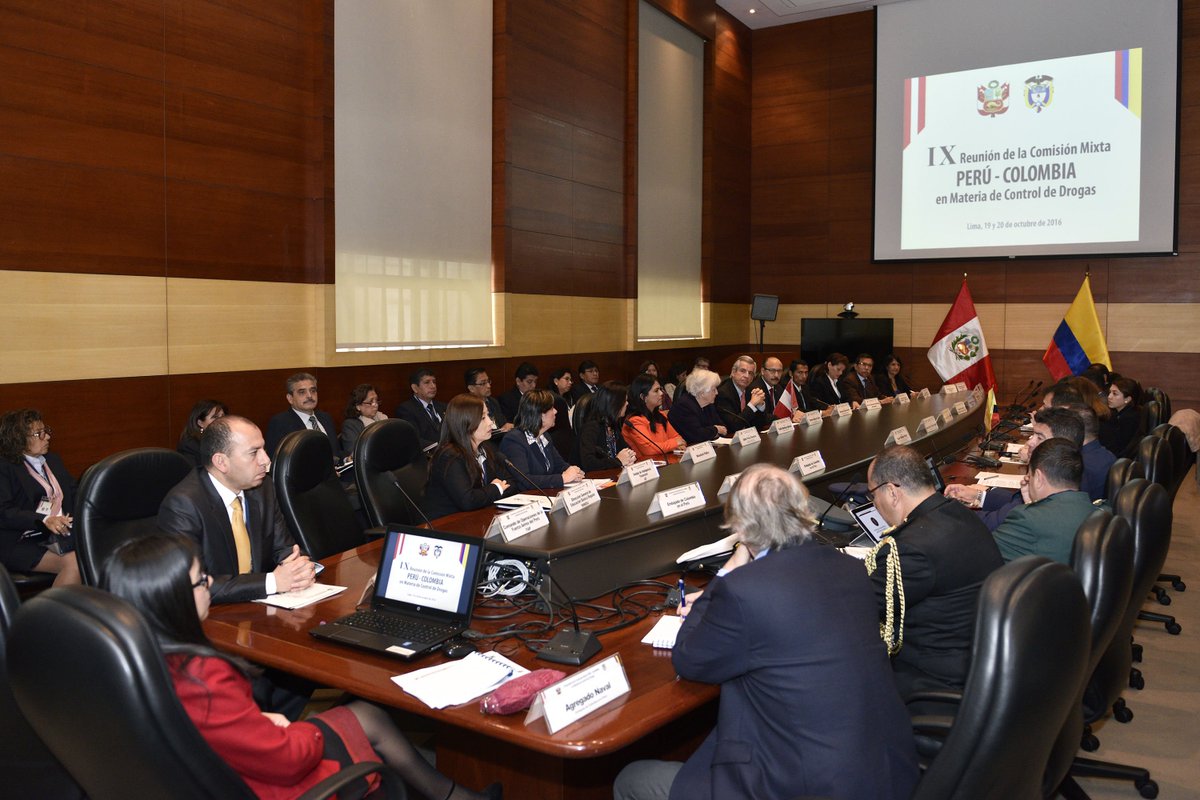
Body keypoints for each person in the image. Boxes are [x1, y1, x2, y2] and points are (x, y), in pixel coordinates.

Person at [101, 532, 500, 800]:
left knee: (367, 712)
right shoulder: (203, 676)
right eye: (200, 579)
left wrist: (258, 721)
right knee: (369, 717)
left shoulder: (125, 659)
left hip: (214, 769)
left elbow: (201, 727)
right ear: (169, 597)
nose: (208, 583)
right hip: (265, 782)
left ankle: (454, 796)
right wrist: (292, 729)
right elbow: (289, 760)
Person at [613, 464, 919, 800]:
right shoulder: (851, 569)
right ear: (803, 510)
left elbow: (688, 659)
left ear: (741, 528)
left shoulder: (745, 590)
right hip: (885, 769)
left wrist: (729, 571)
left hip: (805, 784)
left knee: (633, 780)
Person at [865, 445, 1003, 698]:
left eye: (872, 494)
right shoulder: (960, 514)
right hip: (980, 661)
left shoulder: (910, 548)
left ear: (892, 492)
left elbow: (861, 607)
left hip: (934, 677)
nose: (874, 504)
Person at [158, 415, 316, 604]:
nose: (266, 460)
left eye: (264, 449)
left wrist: (300, 568)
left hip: (259, 606)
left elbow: (284, 549)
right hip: (213, 614)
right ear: (221, 462)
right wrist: (272, 582)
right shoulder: (184, 505)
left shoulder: (263, 487)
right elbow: (193, 585)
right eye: (254, 452)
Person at [945, 406, 1086, 530]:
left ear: (1059, 445)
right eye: (1033, 435)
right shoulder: (1064, 478)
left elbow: (988, 525)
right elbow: (1016, 500)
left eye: (1039, 437)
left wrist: (945, 510)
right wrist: (979, 496)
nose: (1030, 442)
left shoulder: (1045, 487)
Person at [0, 410, 81, 586]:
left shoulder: (52, 460)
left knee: (98, 551)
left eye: (46, 431)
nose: (47, 437)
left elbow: (75, 492)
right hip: (19, 539)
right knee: (75, 563)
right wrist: (44, 520)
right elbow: (4, 513)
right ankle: (52, 606)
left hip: (56, 535)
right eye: (39, 433)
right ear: (18, 438)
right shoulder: (5, 467)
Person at [991, 438, 1095, 564]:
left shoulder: (1026, 520)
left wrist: (1031, 510)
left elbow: (982, 553)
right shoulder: (1099, 512)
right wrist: (1033, 505)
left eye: (1030, 476)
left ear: (1038, 478)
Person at [422, 395, 513, 520]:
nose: (491, 423)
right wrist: (496, 488)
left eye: (488, 415)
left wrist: (488, 493)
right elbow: (468, 500)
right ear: (465, 423)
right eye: (483, 418)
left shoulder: (487, 449)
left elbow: (511, 483)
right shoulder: (449, 456)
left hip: (476, 517)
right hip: (446, 523)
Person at [499, 391, 584, 490]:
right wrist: (562, 478)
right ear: (540, 415)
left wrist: (573, 471)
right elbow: (525, 480)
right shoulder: (514, 440)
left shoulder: (544, 436)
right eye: (551, 408)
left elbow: (559, 465)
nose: (556, 411)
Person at [264, 373, 346, 465]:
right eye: (302, 392)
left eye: (313, 390)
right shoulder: (280, 423)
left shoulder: (325, 417)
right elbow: (278, 461)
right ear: (290, 398)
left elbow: (335, 453)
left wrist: (346, 459)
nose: (309, 396)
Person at [576, 383, 637, 470]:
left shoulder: (613, 426)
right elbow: (588, 463)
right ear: (614, 403)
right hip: (591, 477)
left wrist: (630, 456)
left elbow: (626, 450)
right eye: (624, 401)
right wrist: (618, 461)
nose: (627, 404)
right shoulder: (591, 428)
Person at [623, 374, 685, 460]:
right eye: (656, 391)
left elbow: (679, 438)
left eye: (660, 389)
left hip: (666, 462)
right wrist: (674, 444)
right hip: (647, 466)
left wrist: (676, 444)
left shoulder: (661, 415)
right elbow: (650, 449)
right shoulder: (634, 421)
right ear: (643, 397)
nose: (661, 393)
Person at [669, 369, 728, 445]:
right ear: (702, 392)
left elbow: (723, 428)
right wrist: (716, 429)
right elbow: (697, 435)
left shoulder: (708, 404)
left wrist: (712, 431)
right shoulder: (683, 406)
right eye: (713, 389)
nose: (717, 392)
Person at [395, 368, 447, 451]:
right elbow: (413, 438)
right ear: (415, 388)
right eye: (427, 382)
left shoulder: (444, 406)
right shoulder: (406, 410)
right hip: (426, 455)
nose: (433, 386)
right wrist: (440, 449)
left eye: (434, 382)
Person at [715, 355, 769, 432]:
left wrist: (760, 405)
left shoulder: (751, 391)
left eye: (750, 373)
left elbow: (759, 424)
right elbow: (734, 426)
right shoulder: (723, 393)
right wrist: (752, 404)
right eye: (743, 371)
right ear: (733, 372)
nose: (747, 376)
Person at [178, 400, 228, 469]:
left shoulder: (227, 439)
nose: (221, 420)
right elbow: (195, 472)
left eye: (223, 416)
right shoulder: (190, 445)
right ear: (200, 423)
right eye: (215, 417)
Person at [1099, 377, 1142, 456]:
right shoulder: (1121, 413)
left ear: (1127, 399)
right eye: (1110, 392)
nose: (1109, 396)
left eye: (1115, 394)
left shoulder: (1129, 419)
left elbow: (1118, 449)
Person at [340, 384, 387, 456]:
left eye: (376, 400)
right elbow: (355, 452)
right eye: (370, 402)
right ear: (358, 406)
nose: (376, 405)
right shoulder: (350, 425)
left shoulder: (383, 418)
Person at [464, 368, 513, 435]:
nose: (488, 386)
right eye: (483, 383)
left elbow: (503, 424)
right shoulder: (467, 407)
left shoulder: (492, 401)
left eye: (488, 381)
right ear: (471, 388)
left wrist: (507, 427)